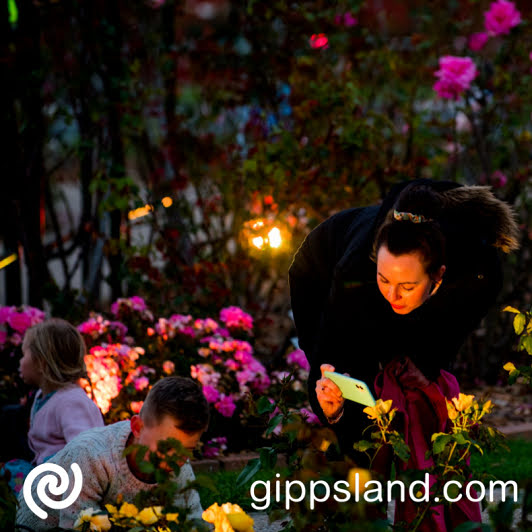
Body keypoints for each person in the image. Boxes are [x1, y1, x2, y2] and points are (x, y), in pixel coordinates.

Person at [289, 179, 519, 530]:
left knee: (423, 389)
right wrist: (333, 403)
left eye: (407, 286)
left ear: (439, 277)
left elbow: (480, 294)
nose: (394, 295)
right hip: (322, 280)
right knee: (354, 400)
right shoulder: (355, 277)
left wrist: (429, 359)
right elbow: (333, 364)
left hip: (411, 288)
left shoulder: (473, 263)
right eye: (387, 282)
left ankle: (430, 511)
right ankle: (355, 515)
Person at [16, 376, 209, 530]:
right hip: (42, 521)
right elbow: (76, 524)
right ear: (137, 428)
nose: (175, 460)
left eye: (187, 450)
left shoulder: (178, 465)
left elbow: (194, 521)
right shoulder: (92, 456)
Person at [3, 318, 104, 493]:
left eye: (24, 354)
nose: (20, 361)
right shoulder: (44, 397)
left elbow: (87, 453)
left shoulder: (71, 402)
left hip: (65, 487)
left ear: (42, 362)